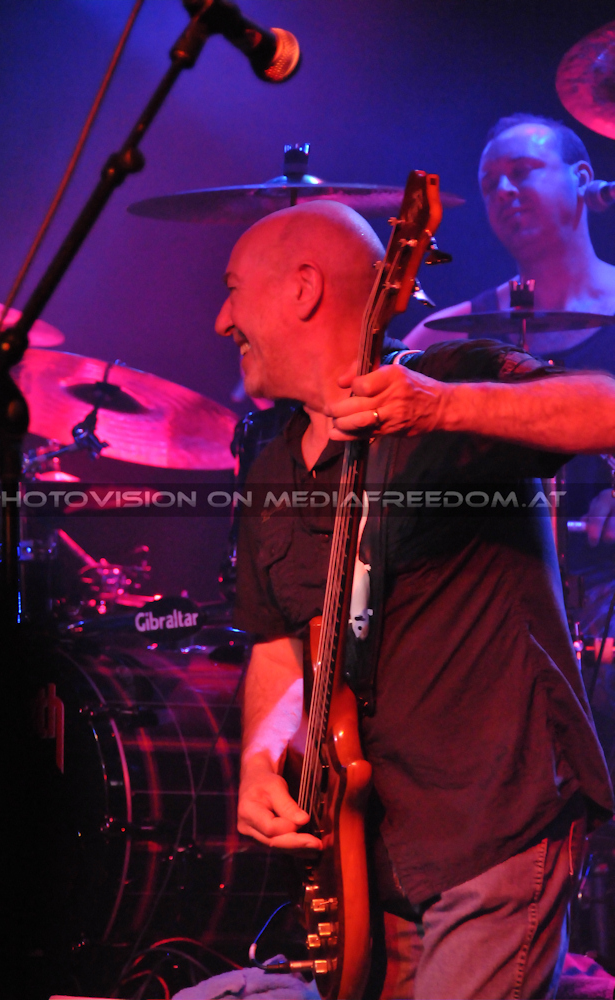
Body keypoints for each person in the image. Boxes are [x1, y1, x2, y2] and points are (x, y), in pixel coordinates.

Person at [214, 198, 614, 999]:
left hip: (492, 822)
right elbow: (283, 647)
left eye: (232, 291)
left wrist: (439, 406)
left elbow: (605, 409)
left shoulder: (451, 381)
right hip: (372, 853)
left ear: (303, 289)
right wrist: (260, 760)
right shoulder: (271, 467)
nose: (222, 320)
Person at [405, 114, 615, 640]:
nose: (503, 191)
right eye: (489, 184)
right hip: (492, 597)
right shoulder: (442, 334)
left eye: (521, 172)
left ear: (583, 178)